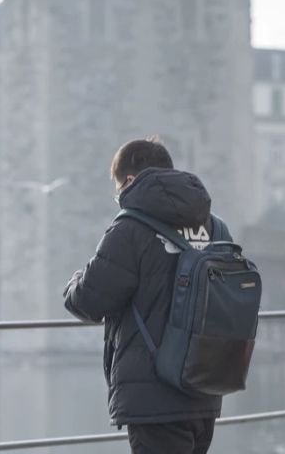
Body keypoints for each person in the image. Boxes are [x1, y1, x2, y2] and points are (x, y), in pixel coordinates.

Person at [63, 138, 231, 454]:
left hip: (154, 395)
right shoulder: (215, 228)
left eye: (118, 191)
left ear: (129, 181)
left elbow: (89, 301)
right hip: (205, 388)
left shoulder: (129, 228)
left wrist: (72, 283)